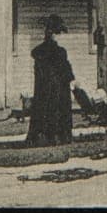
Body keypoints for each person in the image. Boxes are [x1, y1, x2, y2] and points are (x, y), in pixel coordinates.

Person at [26, 14, 75, 146]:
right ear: (53, 34)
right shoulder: (59, 52)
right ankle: (58, 137)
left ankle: (43, 138)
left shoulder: (39, 52)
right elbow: (65, 70)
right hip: (57, 89)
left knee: (44, 112)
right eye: (57, 33)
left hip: (44, 89)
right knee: (57, 112)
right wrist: (70, 79)